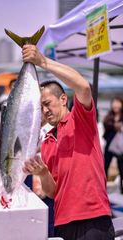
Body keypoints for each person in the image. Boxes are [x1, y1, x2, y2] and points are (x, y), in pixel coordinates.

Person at [22, 44, 115, 240]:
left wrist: (43, 62)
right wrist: (43, 173)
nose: (45, 110)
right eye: (41, 107)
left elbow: (82, 86)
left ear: (63, 99)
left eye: (47, 104)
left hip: (93, 219)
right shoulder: (46, 142)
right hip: (62, 223)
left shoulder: (79, 118)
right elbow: (53, 192)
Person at [103, 97, 123, 193]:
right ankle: (103, 187)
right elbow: (106, 124)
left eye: (118, 103)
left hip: (120, 146)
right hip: (109, 144)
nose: (116, 105)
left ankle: (122, 188)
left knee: (121, 167)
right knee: (105, 165)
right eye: (114, 103)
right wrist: (116, 125)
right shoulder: (109, 115)